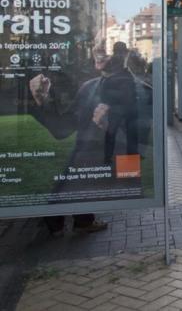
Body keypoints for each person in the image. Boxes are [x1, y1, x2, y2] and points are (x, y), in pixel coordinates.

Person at [29, 41, 144, 236]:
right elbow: (62, 130)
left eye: (104, 49)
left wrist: (111, 126)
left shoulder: (141, 90)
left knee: (64, 197)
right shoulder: (88, 87)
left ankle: (72, 221)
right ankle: (77, 221)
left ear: (122, 55)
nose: (98, 53)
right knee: (64, 196)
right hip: (82, 165)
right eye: (96, 48)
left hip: (109, 165)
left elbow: (143, 139)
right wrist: (42, 99)